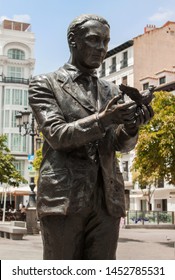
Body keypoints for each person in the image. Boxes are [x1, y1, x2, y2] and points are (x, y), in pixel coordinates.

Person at [29, 14, 154, 260]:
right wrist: (105, 119)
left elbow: (119, 144)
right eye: (94, 40)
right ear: (73, 41)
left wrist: (131, 127)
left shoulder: (112, 90)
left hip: (107, 201)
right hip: (63, 199)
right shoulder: (45, 84)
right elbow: (57, 135)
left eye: (106, 42)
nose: (102, 48)